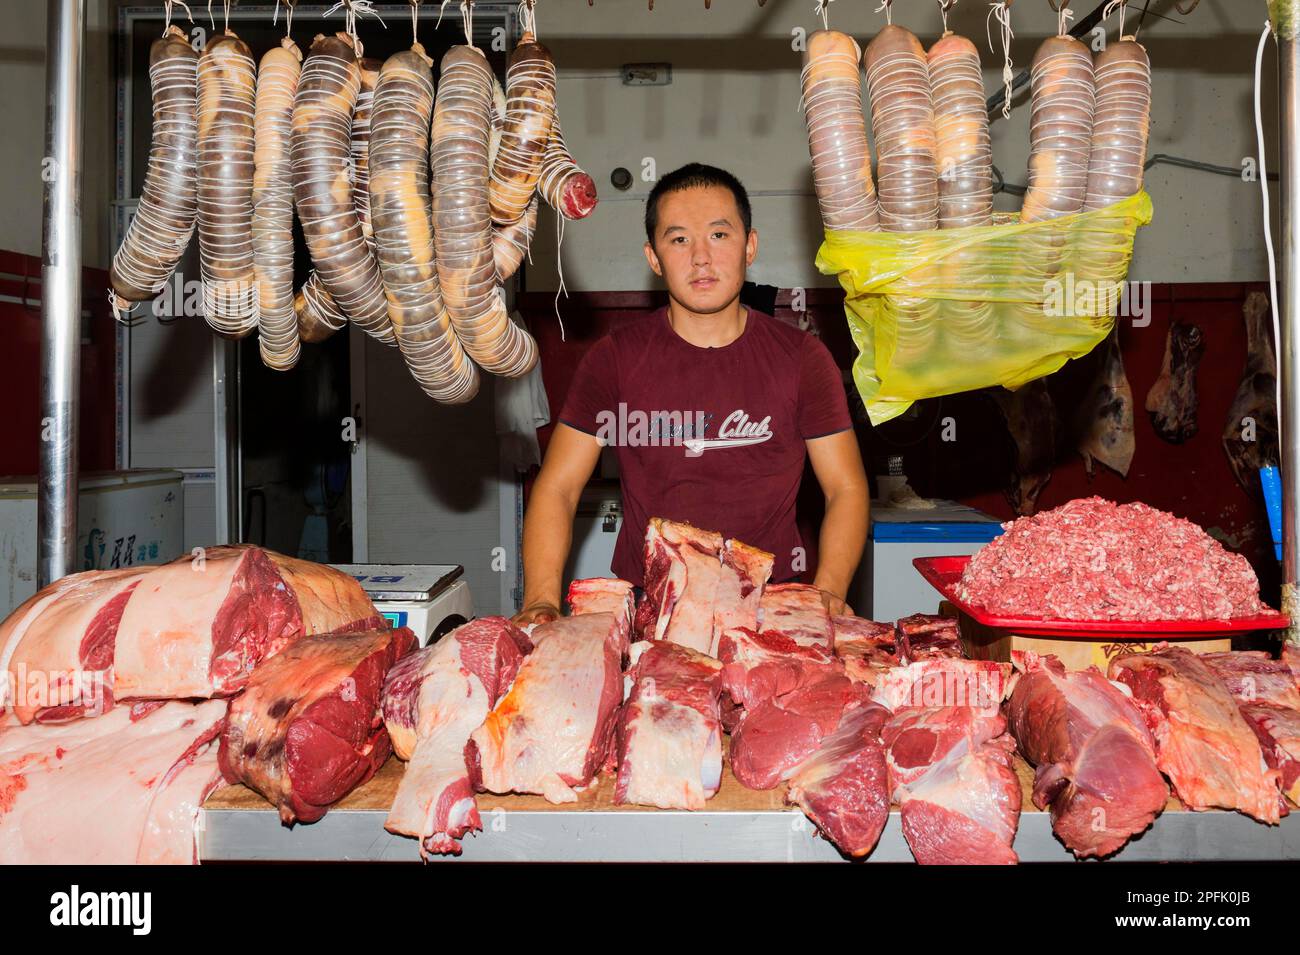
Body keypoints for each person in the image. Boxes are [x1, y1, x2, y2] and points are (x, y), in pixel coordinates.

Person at [513, 163, 869, 626]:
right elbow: (559, 488)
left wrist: (830, 590)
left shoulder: (803, 358)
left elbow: (845, 487)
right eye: (679, 239)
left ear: (750, 246)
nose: (701, 257)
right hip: (650, 608)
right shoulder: (614, 359)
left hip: (770, 609)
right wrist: (540, 598)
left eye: (719, 235)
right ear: (654, 257)